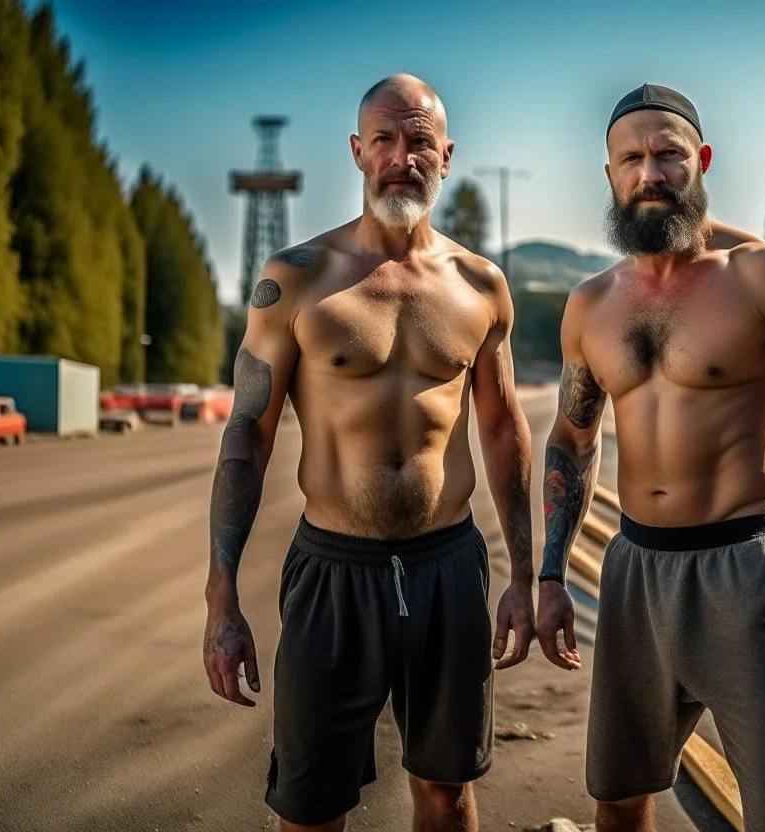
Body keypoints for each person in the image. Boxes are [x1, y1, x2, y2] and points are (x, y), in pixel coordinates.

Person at [535, 83, 765, 832]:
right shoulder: (591, 304)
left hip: (746, 573)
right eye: (633, 159)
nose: (650, 174)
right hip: (635, 572)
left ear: (703, 160)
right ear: (610, 174)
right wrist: (552, 573)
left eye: (669, 155)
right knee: (619, 798)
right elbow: (572, 436)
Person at [202, 73, 536, 832]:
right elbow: (246, 436)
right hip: (333, 574)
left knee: (447, 796)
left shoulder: (481, 286)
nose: (400, 156)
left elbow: (503, 427)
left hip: (448, 570)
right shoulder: (294, 280)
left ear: (446, 156)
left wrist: (522, 574)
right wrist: (221, 598)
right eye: (383, 139)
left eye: (419, 140)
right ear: (357, 151)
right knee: (310, 809)